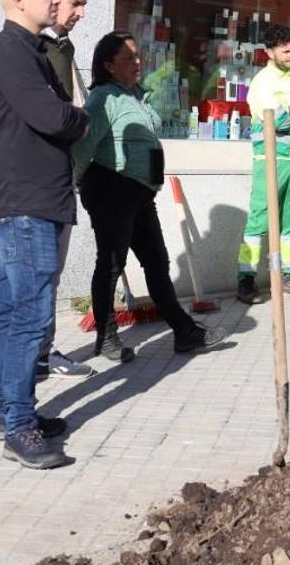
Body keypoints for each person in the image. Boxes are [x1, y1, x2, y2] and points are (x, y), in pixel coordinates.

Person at [0, 0, 93, 398]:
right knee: (20, 302)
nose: (72, 9)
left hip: (49, 189)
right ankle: (10, 405)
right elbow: (47, 114)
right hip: (24, 196)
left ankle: (18, 389)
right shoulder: (12, 50)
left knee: (32, 295)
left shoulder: (48, 48)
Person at [74, 31, 226, 360]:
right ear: (108, 66)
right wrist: (69, 188)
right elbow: (83, 148)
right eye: (128, 57)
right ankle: (108, 337)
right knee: (112, 265)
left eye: (137, 55)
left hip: (141, 192)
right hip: (111, 188)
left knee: (156, 263)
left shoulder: (137, 95)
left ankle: (184, 333)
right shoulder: (103, 99)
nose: (138, 61)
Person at [235, 24, 290, 304]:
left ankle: (289, 275)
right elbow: (278, 120)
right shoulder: (262, 82)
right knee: (259, 220)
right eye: (285, 51)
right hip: (269, 161)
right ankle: (245, 280)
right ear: (269, 52)